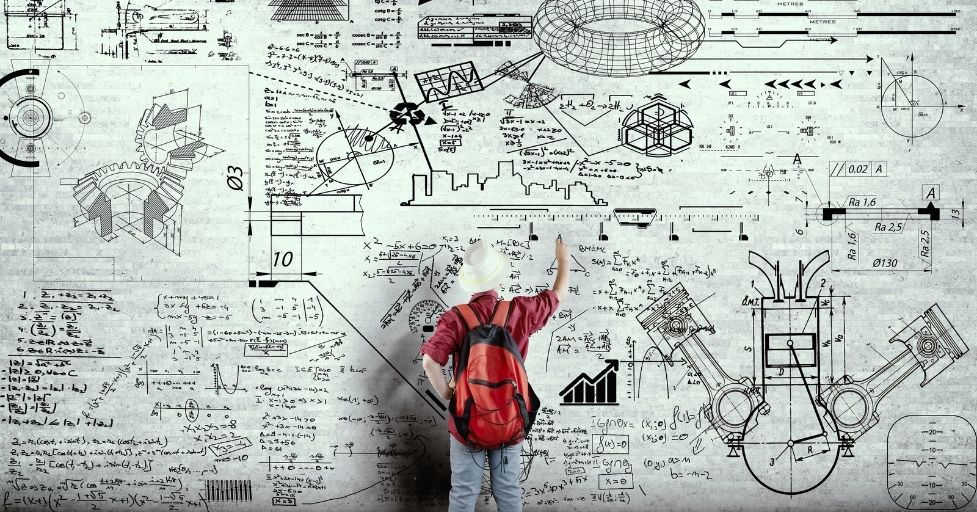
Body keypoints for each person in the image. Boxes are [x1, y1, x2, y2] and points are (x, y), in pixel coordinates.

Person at [420, 238, 571, 512]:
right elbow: (557, 295)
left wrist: (447, 393)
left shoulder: (455, 317)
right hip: (509, 421)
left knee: (464, 494)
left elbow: (430, 362)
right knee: (508, 493)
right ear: (497, 275)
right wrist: (563, 260)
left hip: (466, 422)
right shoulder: (520, 310)